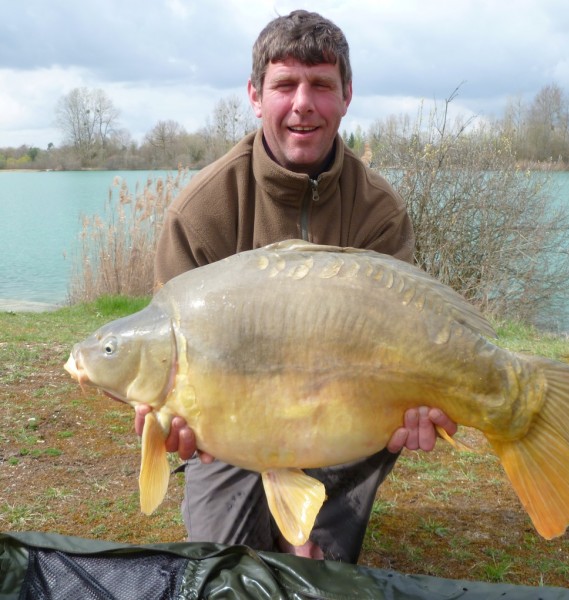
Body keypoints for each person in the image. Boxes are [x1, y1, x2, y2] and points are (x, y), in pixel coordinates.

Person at [135, 9, 457, 563]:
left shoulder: (377, 209)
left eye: (321, 85)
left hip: (344, 418)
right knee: (228, 566)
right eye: (285, 84)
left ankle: (319, 525)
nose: (302, 103)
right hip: (230, 435)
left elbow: (411, 345)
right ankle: (259, 513)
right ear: (256, 95)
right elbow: (166, 361)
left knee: (316, 567)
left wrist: (430, 404)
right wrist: (166, 421)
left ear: (347, 95)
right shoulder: (202, 212)